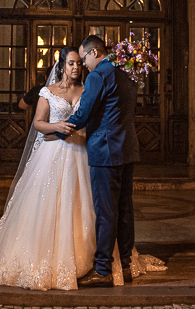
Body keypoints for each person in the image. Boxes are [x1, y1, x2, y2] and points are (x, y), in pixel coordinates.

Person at [0, 46, 95, 290]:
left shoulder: (87, 90)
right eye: (71, 63)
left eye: (78, 64)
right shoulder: (48, 92)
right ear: (62, 65)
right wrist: (58, 127)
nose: (75, 68)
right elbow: (39, 124)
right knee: (46, 205)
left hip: (80, 154)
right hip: (52, 154)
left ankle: (86, 259)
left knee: (81, 205)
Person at [60, 34, 141, 288]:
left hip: (106, 151)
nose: (83, 65)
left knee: (106, 212)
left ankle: (103, 269)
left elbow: (84, 112)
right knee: (125, 209)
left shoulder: (99, 75)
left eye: (84, 59)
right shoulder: (126, 73)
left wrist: (61, 126)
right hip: (127, 149)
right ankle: (126, 265)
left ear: (94, 53)